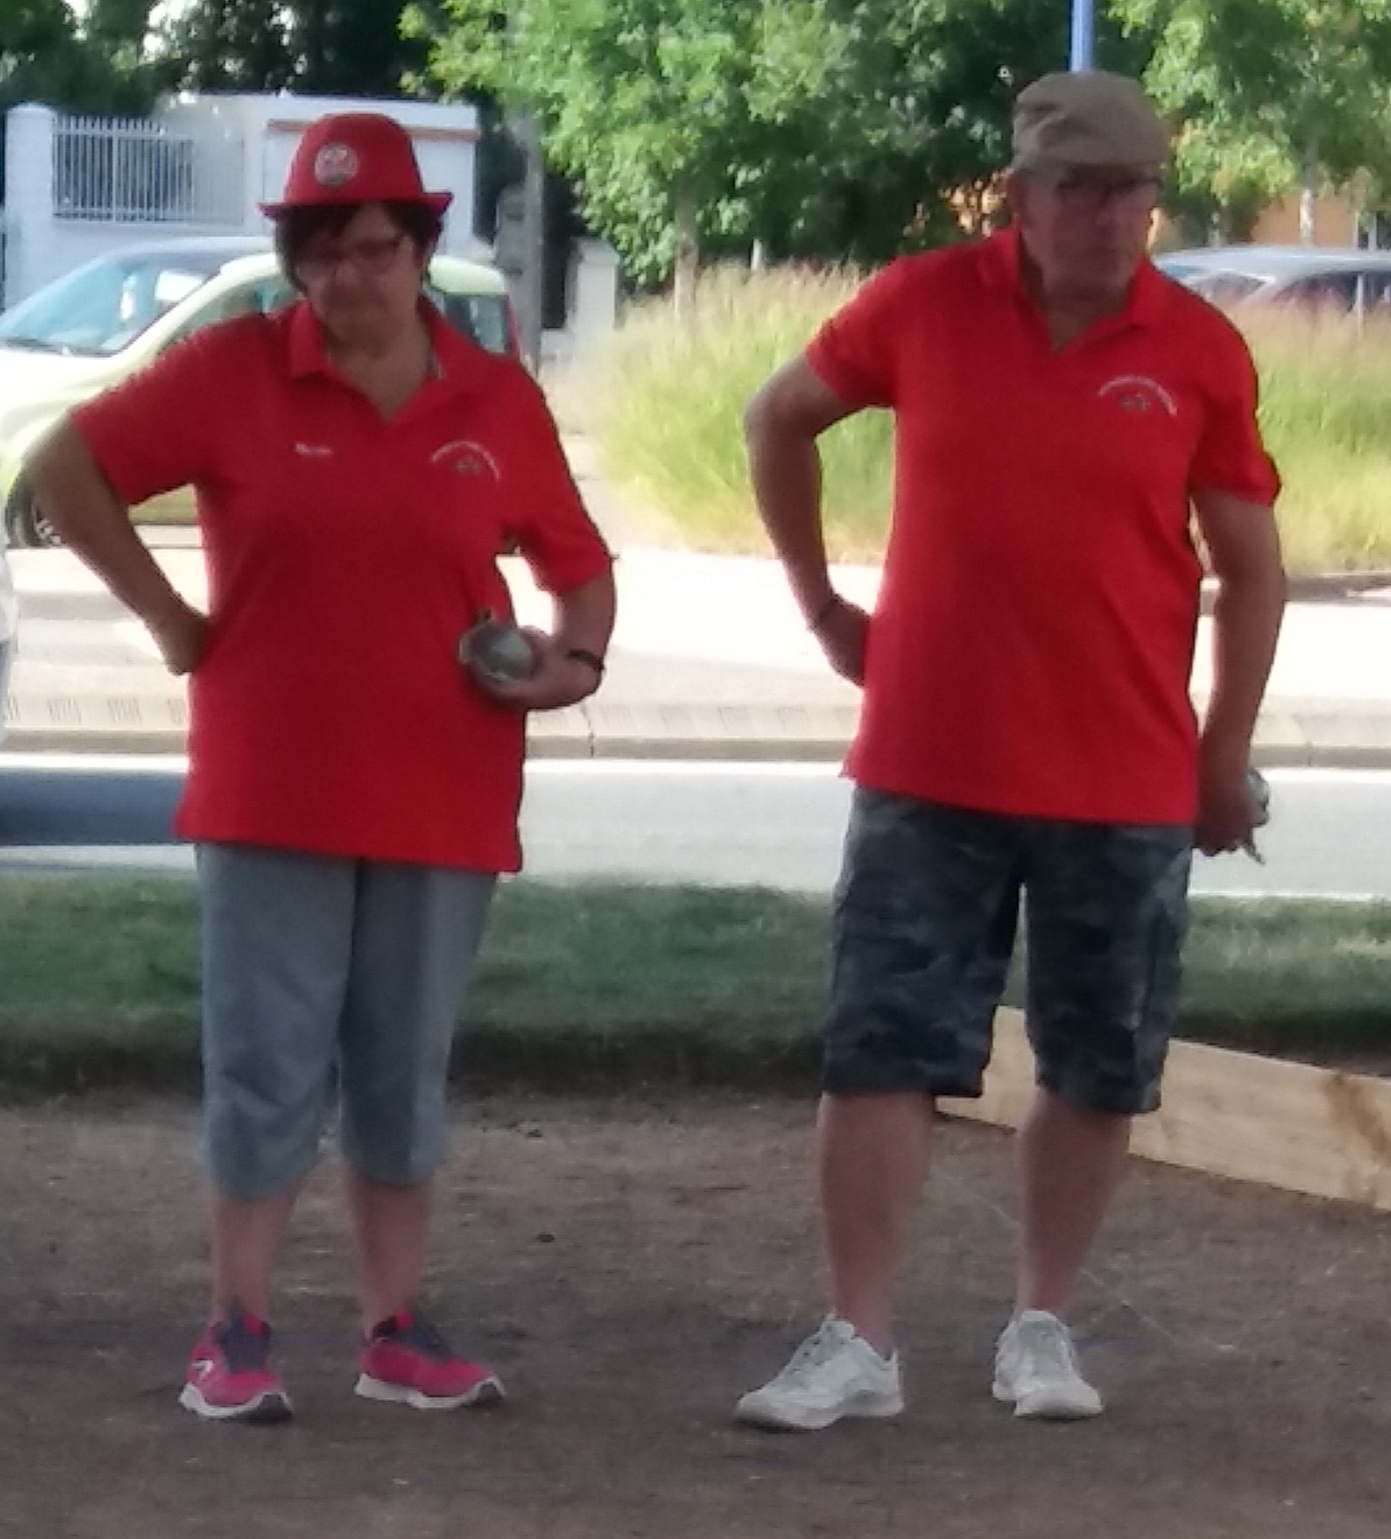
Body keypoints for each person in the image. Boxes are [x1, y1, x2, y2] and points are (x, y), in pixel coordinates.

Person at [30, 112, 615, 1424]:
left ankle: (393, 1329)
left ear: (421, 249)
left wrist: (570, 666)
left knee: (403, 1067)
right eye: (321, 252)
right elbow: (64, 468)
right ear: (293, 257)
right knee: (266, 1062)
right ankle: (234, 1329)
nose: (346, 278)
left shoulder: (495, 397)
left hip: (447, 787)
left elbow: (579, 568)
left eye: (373, 249)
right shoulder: (232, 368)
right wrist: (171, 623)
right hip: (271, 785)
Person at [735, 71, 1286, 1432]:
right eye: (1081, 190)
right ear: (1021, 197)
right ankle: (857, 1339)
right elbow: (775, 417)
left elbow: (1251, 569)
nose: (1110, 217)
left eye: (1132, 192)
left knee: (1098, 1059)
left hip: (1126, 767)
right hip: (928, 756)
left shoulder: (1200, 349)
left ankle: (1042, 1326)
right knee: (880, 1047)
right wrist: (822, 609)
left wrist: (1223, 753)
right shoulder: (922, 304)